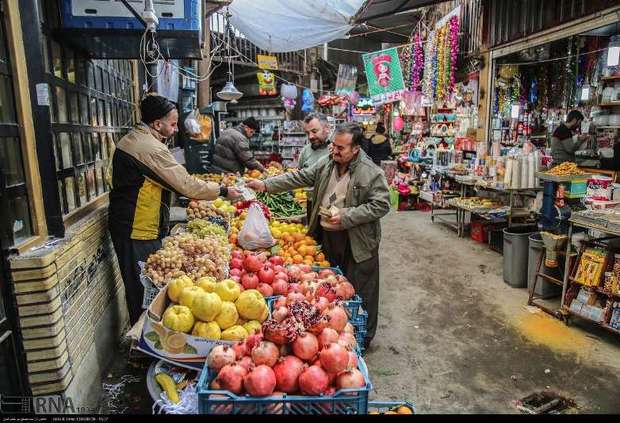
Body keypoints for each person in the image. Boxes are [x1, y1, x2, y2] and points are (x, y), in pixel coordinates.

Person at [247, 123, 391, 349]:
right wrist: (265, 185)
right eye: (333, 145)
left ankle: (363, 338)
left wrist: (346, 216)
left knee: (361, 290)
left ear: (355, 149)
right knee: (329, 288)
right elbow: (301, 177)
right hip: (328, 236)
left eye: (341, 148)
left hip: (358, 241)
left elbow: (381, 205)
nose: (334, 151)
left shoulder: (371, 172)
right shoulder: (327, 163)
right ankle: (333, 335)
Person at [108, 94, 238, 326]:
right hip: (135, 228)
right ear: (158, 124)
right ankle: (142, 344)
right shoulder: (147, 147)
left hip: (137, 224)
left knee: (147, 286)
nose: (177, 129)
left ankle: (148, 337)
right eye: (173, 124)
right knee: (142, 289)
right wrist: (223, 191)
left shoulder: (142, 139)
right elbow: (185, 185)